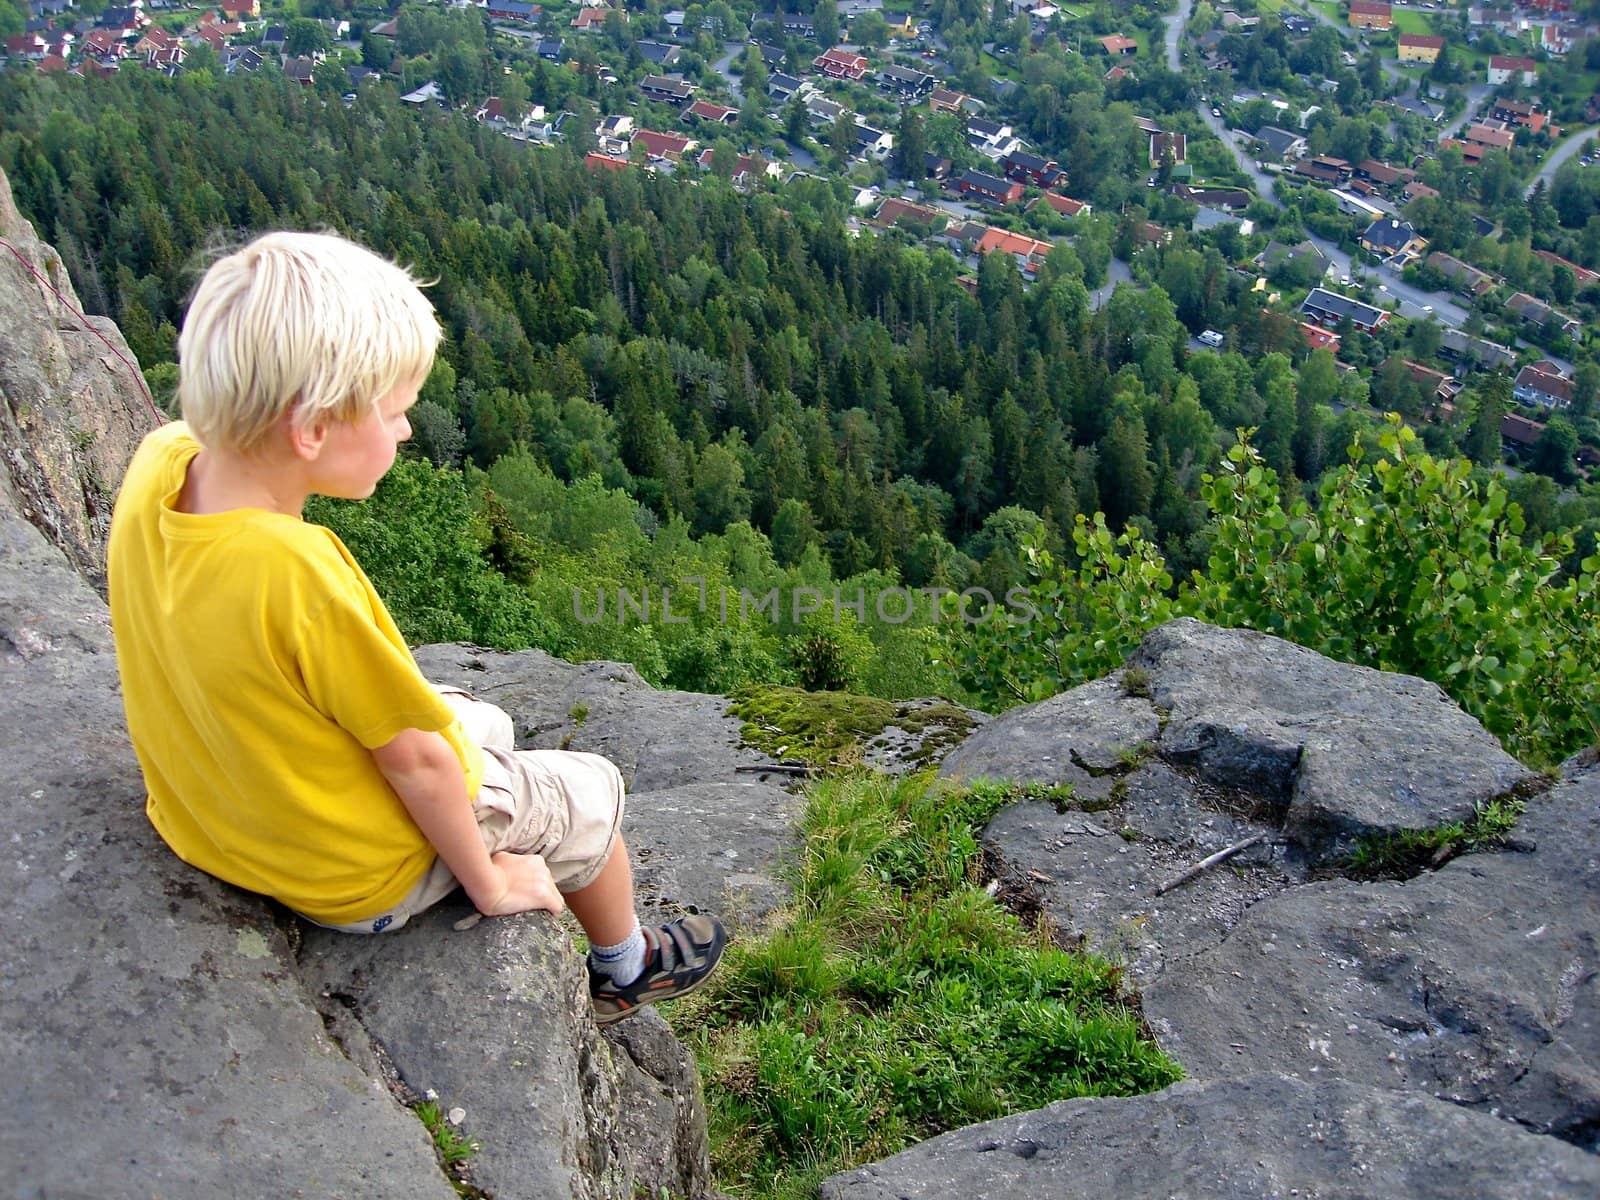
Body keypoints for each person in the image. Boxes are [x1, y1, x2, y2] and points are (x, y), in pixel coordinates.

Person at [107, 231, 723, 1024]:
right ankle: (625, 965)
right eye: (397, 413)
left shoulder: (160, 462)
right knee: (589, 791)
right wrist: (491, 881)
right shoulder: (297, 573)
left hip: (211, 821)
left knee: (480, 717)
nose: (405, 432)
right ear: (313, 428)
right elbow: (421, 766)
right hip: (350, 878)